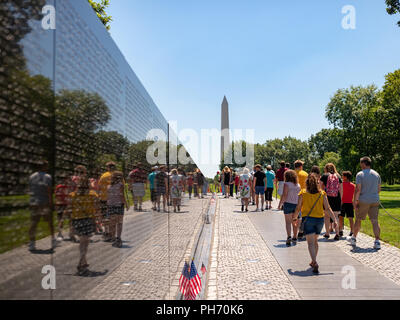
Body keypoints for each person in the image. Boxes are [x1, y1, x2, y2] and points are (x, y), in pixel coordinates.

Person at [294, 174, 338, 274]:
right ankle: (313, 261)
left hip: (308, 219)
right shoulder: (322, 194)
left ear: (307, 183)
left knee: (310, 243)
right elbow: (327, 208)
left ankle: (314, 261)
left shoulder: (303, 193)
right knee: (315, 241)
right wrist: (334, 220)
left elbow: (298, 207)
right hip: (319, 220)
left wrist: (295, 218)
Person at [350, 157, 382, 250]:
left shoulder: (360, 174)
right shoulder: (377, 174)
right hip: (375, 199)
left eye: (361, 163)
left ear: (364, 163)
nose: (360, 165)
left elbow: (358, 189)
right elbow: (379, 189)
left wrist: (355, 201)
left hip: (363, 199)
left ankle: (354, 238)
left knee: (358, 219)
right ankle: (377, 241)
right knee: (375, 221)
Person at [69, 177, 98, 275]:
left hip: (76, 220)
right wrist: (95, 222)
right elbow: (95, 209)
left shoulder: (73, 195)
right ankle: (80, 264)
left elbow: (69, 210)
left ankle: (84, 263)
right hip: (87, 220)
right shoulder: (92, 195)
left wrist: (70, 225)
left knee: (82, 242)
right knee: (85, 244)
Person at [28, 161, 55, 252]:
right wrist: (51, 202)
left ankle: (32, 243)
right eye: (46, 166)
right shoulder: (47, 177)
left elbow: (30, 189)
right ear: (44, 167)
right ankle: (53, 240)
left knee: (34, 223)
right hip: (44, 202)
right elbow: (48, 190)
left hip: (34, 202)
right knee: (50, 222)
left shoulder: (31, 176)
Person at [278, 170, 301, 246]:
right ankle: (295, 236)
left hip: (288, 204)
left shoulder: (286, 184)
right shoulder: (298, 185)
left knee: (288, 222)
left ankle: (288, 236)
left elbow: (284, 195)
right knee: (295, 222)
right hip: (297, 205)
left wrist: (280, 204)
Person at [320, 163, 342, 240]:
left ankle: (327, 233)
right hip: (337, 198)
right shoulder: (338, 176)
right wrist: (341, 199)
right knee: (336, 216)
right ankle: (337, 233)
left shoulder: (324, 176)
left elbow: (320, 187)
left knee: (326, 216)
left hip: (327, 198)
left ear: (326, 169)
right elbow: (340, 189)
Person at [107, 171, 128, 247]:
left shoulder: (109, 186)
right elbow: (122, 196)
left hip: (110, 206)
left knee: (112, 223)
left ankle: (113, 237)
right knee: (119, 222)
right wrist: (126, 204)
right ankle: (118, 238)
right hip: (119, 205)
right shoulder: (120, 185)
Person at [98, 162, 117, 241]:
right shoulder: (118, 176)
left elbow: (99, 188)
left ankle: (106, 233)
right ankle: (112, 234)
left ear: (108, 167)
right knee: (113, 216)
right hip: (115, 200)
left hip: (104, 199)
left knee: (105, 216)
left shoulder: (103, 176)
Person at [55, 175, 74, 241]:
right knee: (60, 220)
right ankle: (60, 233)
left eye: (69, 179)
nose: (68, 181)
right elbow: (56, 196)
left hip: (67, 205)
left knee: (71, 219)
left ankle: (71, 233)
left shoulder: (69, 187)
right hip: (61, 205)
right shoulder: (59, 187)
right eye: (67, 179)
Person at [294, 160, 308, 239]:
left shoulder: (291, 174)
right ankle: (301, 231)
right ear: (301, 166)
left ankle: (295, 232)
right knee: (303, 215)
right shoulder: (305, 174)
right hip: (303, 196)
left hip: (292, 196)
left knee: (294, 215)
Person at [340, 171, 355, 237]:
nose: (341, 177)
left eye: (342, 176)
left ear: (345, 177)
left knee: (341, 217)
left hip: (342, 203)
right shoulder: (353, 185)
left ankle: (340, 230)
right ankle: (352, 231)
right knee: (350, 218)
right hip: (350, 203)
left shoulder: (341, 184)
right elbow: (355, 195)